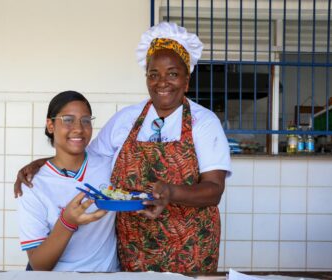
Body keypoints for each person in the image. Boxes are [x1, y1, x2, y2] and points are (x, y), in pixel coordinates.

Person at [15, 22, 231, 273]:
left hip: (190, 245)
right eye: (153, 74)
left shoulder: (203, 122)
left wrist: (171, 192)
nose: (162, 82)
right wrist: (43, 164)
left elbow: (214, 190)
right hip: (134, 249)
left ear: (186, 80)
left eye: (172, 73)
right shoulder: (126, 119)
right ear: (146, 78)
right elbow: (84, 154)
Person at [17, 90, 119, 272]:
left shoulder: (108, 166)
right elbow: (38, 265)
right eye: (68, 120)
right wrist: (67, 222)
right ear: (50, 125)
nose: (79, 128)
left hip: (107, 274)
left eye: (86, 120)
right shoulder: (33, 185)